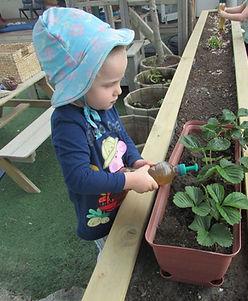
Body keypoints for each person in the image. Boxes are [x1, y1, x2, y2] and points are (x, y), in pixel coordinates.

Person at [32, 7, 158, 256]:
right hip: (98, 208)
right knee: (111, 250)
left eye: (118, 81)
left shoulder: (103, 103)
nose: (118, 91)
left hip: (121, 192)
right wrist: (130, 180)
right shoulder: (67, 123)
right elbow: (78, 178)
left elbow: (121, 136)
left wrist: (135, 159)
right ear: (78, 84)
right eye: (109, 84)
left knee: (127, 233)